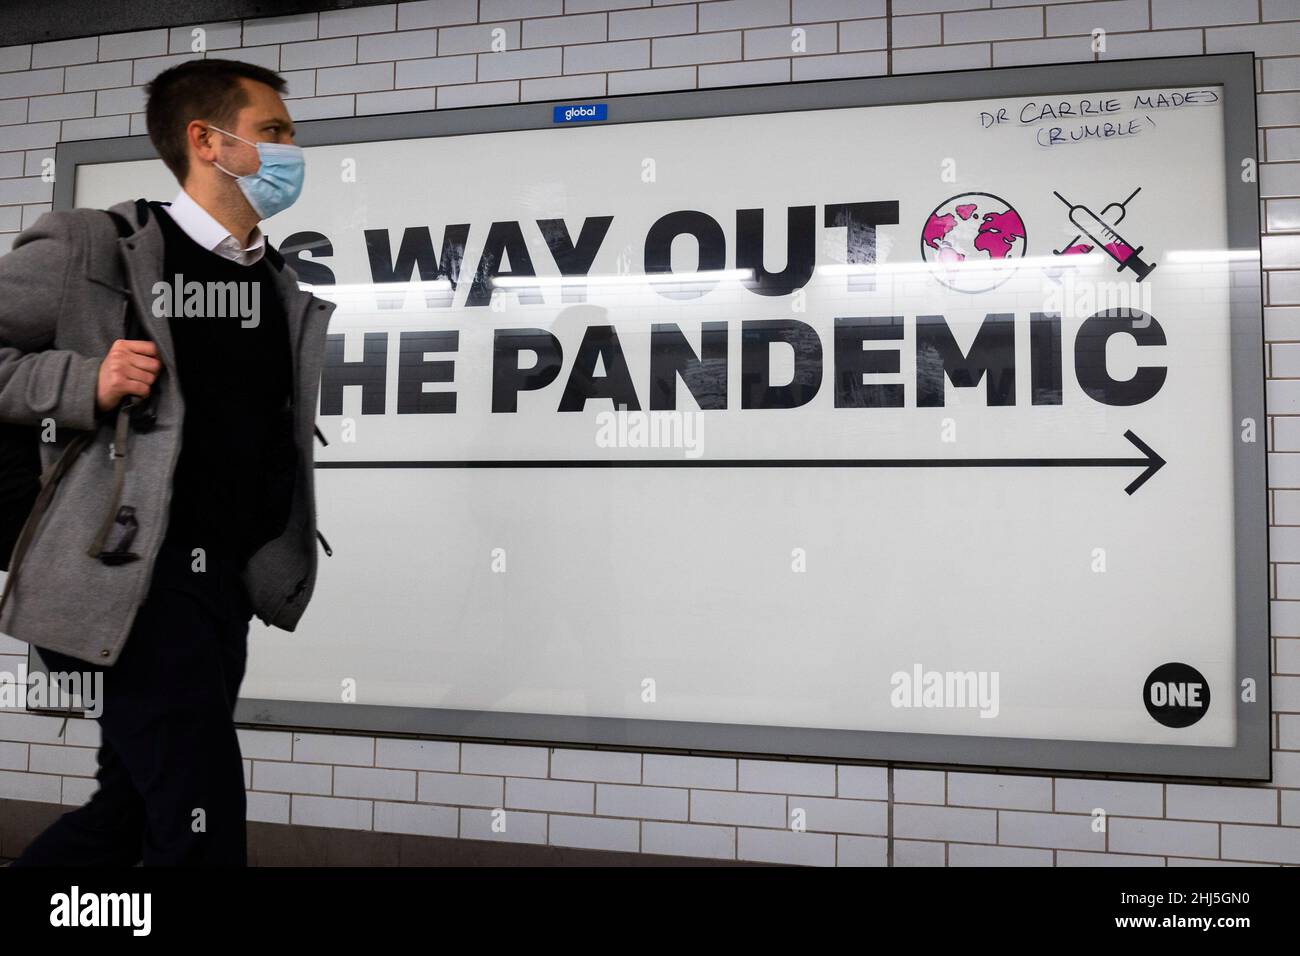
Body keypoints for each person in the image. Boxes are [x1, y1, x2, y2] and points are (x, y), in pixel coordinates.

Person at [0, 58, 336, 866]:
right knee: (200, 819)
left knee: (130, 808)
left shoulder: (276, 281)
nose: (293, 150)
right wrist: (84, 380)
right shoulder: (96, 248)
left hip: (223, 585)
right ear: (206, 141)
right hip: (128, 579)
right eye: (274, 132)